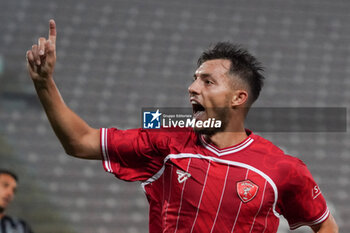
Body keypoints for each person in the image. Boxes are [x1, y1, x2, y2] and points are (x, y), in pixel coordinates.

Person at [25, 19, 338, 233]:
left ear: (238, 97)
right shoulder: (166, 143)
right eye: (193, 78)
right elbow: (80, 141)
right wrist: (44, 84)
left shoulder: (282, 168)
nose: (192, 87)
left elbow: (324, 225)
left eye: (207, 81)